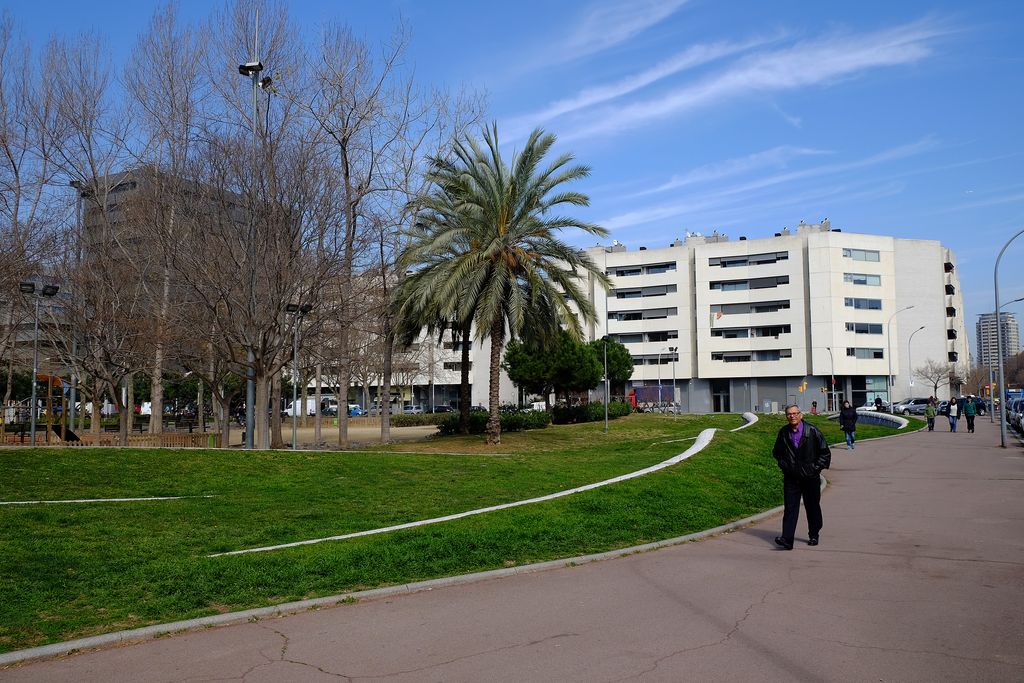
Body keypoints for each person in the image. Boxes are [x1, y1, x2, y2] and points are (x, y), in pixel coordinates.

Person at [771, 405, 831, 550]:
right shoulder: (784, 432)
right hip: (791, 477)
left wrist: (814, 469)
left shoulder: (812, 431)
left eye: (795, 413)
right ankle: (787, 539)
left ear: (801, 415)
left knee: (812, 507)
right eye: (789, 414)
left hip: (810, 477)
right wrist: (785, 466)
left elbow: (825, 453)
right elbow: (777, 452)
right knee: (790, 508)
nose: (792, 416)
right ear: (786, 416)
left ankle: (814, 534)